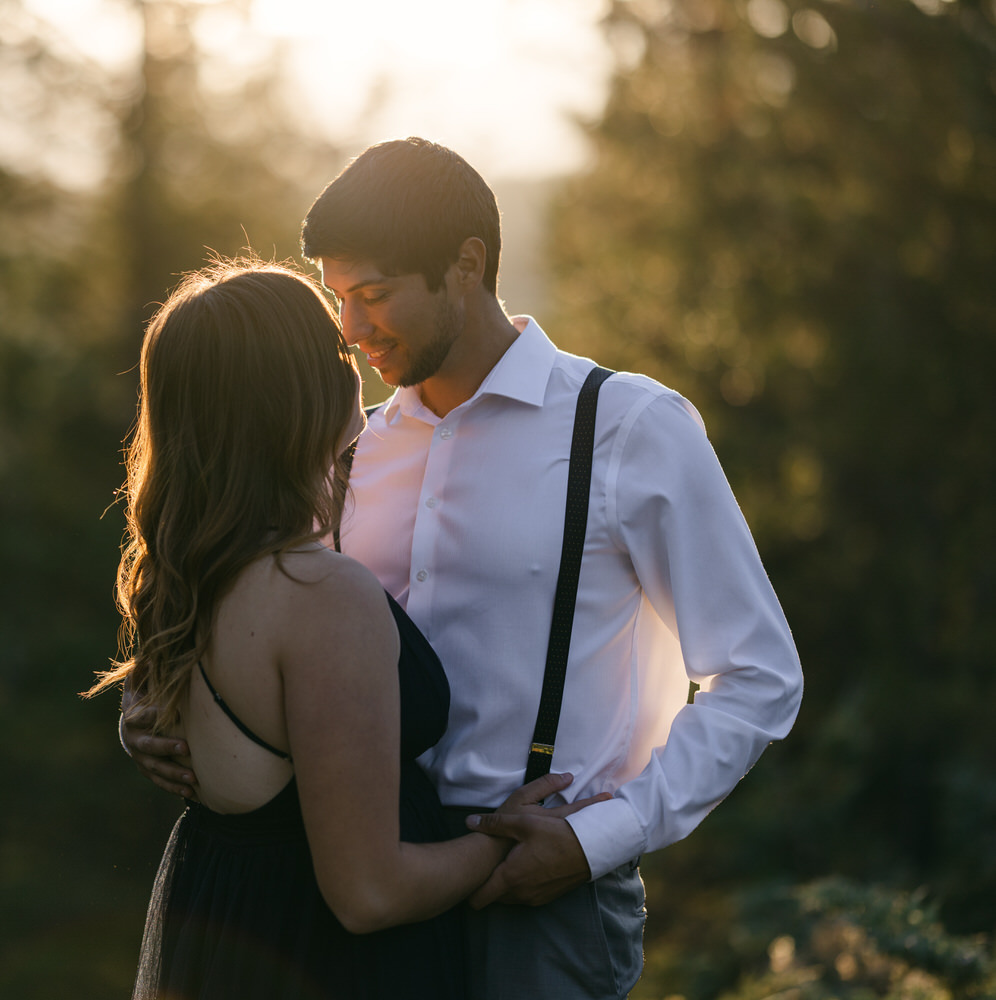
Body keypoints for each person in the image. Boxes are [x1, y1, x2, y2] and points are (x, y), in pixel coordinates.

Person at [124, 139, 804, 999]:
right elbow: (249, 610)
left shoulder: (627, 428)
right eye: (338, 299)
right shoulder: (343, 449)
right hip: (348, 891)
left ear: (465, 265)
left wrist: (600, 839)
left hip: (542, 898)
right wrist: (155, 707)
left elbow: (759, 676)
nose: (350, 330)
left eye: (373, 295)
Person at [93, 259, 604, 1000]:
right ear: (295, 395)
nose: (359, 358)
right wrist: (503, 839)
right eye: (336, 351)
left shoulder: (186, 579)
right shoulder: (321, 594)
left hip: (235, 941)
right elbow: (369, 892)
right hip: (330, 965)